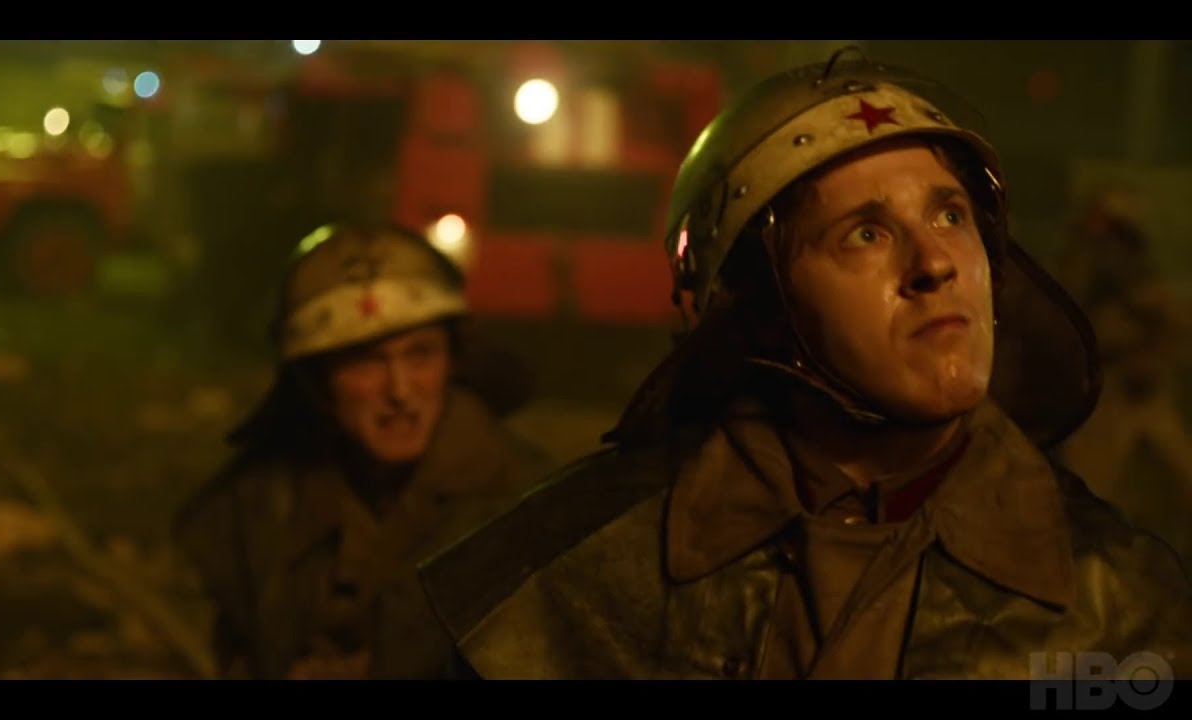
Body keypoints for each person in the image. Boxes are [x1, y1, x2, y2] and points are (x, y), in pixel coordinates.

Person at [417, 51, 1192, 680]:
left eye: (950, 214)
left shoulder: (1123, 603)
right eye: (865, 233)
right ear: (761, 305)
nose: (935, 263)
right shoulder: (572, 573)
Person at [173, 221, 549, 679]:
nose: (400, 392)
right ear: (316, 382)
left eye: (420, 354)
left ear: (452, 362)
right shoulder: (257, 507)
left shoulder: (528, 506)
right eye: (366, 361)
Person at [1057, 186, 1192, 564]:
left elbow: (1169, 323)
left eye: (1114, 234)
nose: (1106, 245)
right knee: (1088, 497)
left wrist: (1149, 354)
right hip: (1104, 395)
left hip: (1138, 395)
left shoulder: (1140, 282)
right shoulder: (1080, 275)